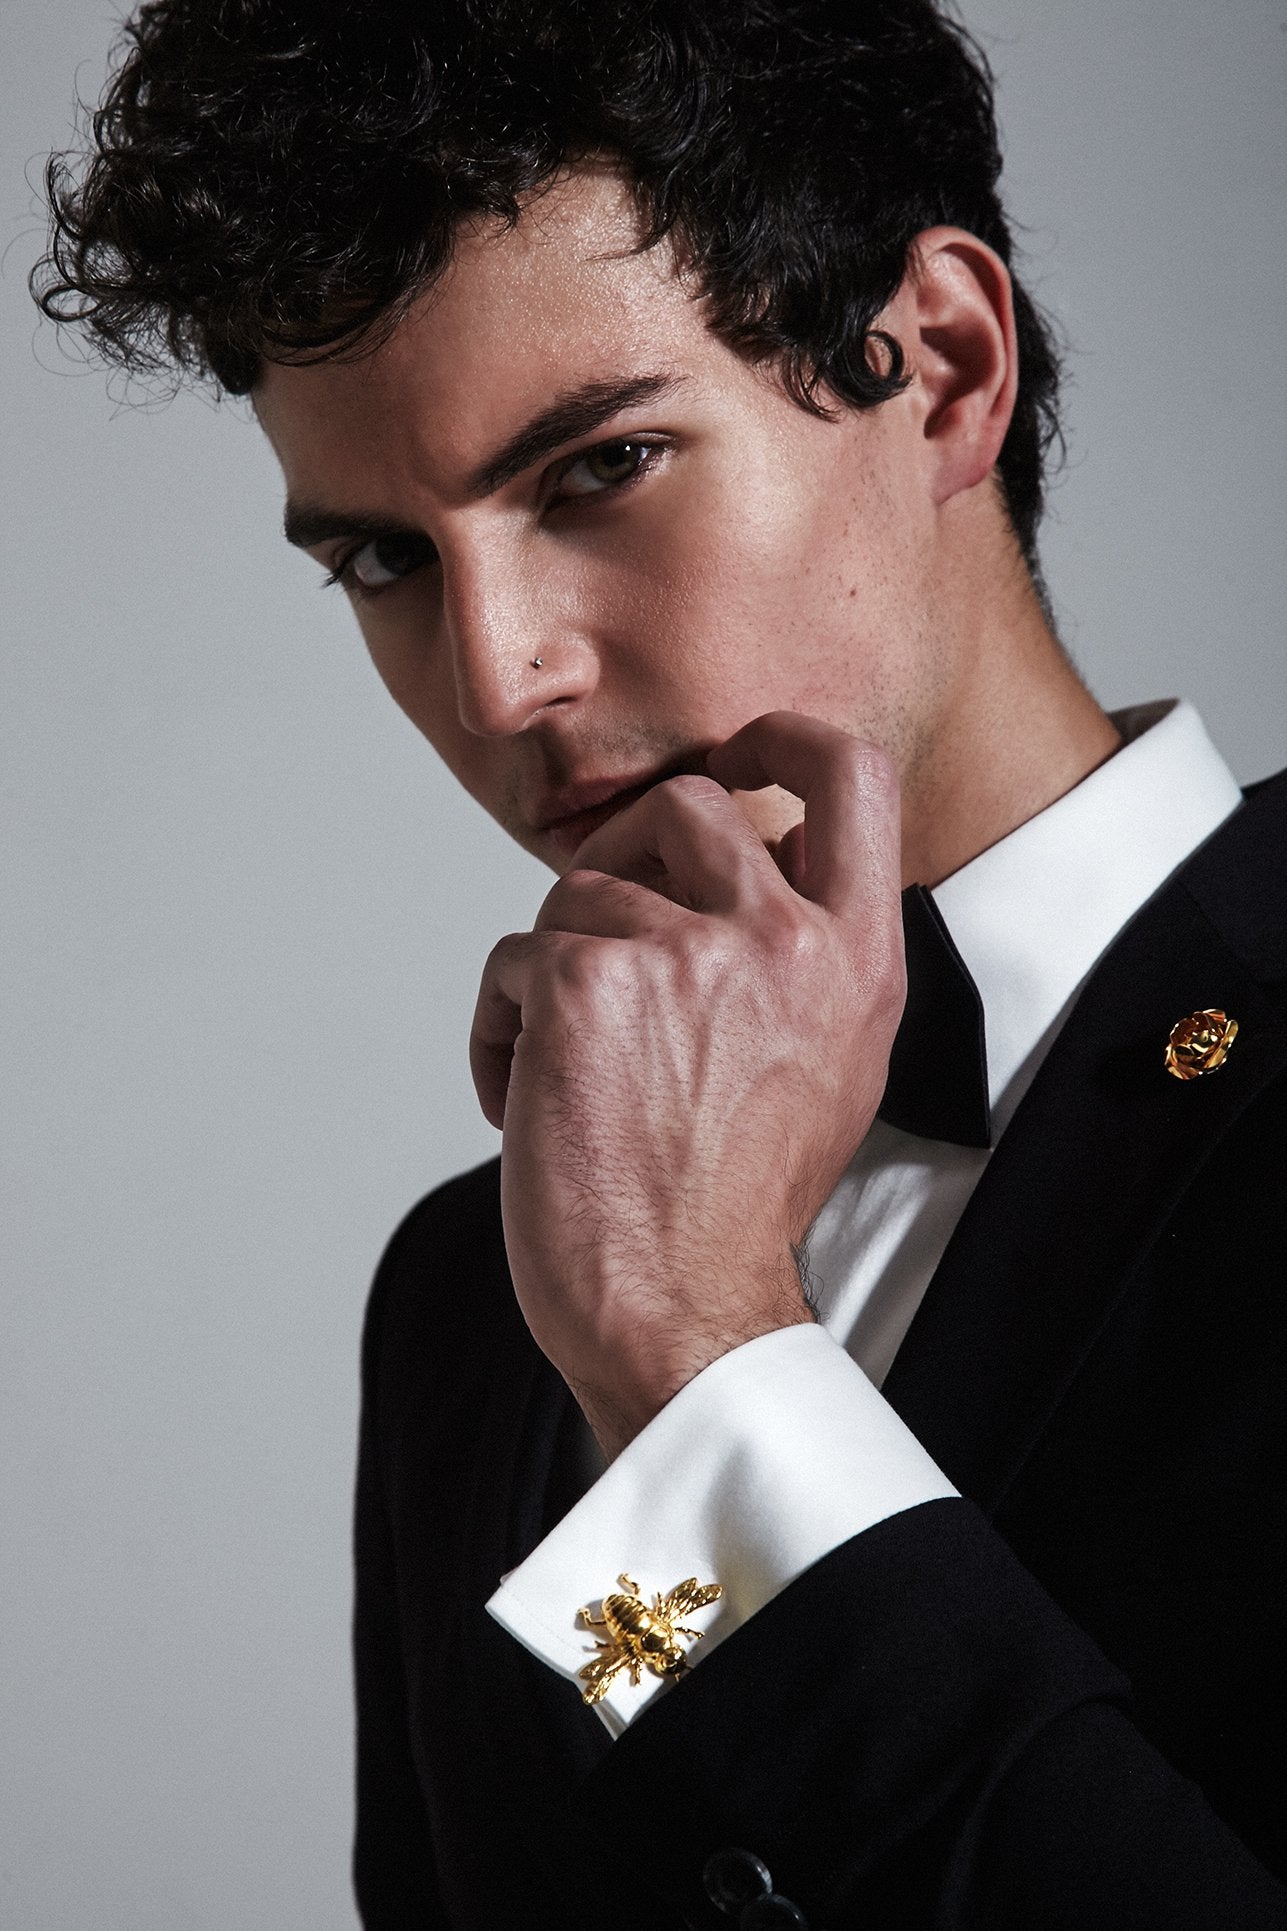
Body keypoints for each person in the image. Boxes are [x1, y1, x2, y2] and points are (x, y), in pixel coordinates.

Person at [35, 1, 1285, 1924]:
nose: (494, 678)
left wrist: (700, 1357)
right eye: (385, 561)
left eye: (599, 467)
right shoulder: (481, 1297)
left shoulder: (616, 1298)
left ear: (944, 370)